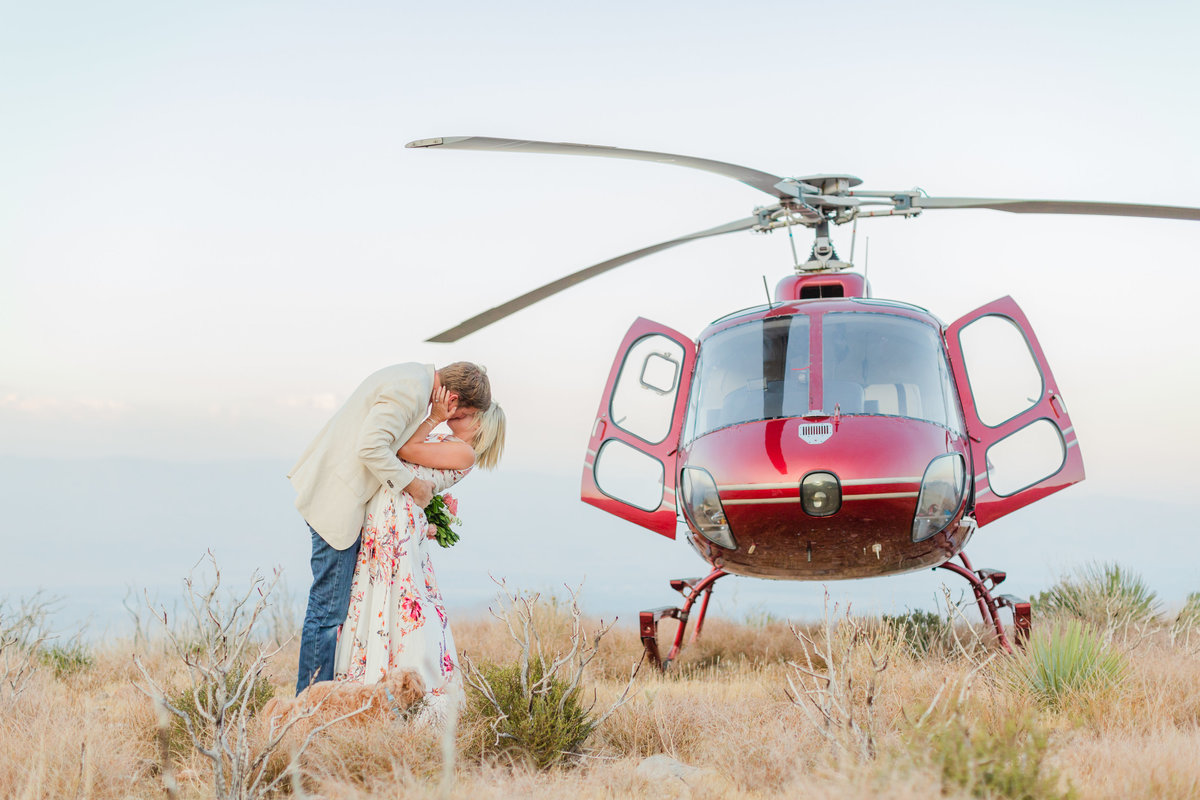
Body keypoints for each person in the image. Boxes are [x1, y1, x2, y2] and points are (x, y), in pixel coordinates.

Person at [289, 362, 491, 695]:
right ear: (453, 399)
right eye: (460, 414)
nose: (453, 421)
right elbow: (371, 447)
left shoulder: (412, 379)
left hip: (350, 505)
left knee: (333, 614)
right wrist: (413, 485)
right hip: (337, 501)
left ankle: (319, 702)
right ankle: (308, 704)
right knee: (327, 615)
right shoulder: (409, 390)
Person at [333, 392, 506, 721]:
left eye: (468, 413)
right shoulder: (448, 442)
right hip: (392, 516)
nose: (460, 412)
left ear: (481, 423)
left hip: (398, 523)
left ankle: (393, 691)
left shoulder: (464, 451)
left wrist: (434, 415)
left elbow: (404, 450)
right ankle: (373, 688)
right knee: (381, 596)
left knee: (396, 599)